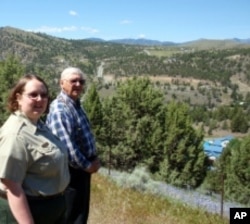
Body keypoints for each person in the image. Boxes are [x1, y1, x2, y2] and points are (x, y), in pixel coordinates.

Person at [0, 74, 70, 224]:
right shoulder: (15, 135)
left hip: (51, 208)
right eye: (33, 95)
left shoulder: (38, 125)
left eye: (44, 95)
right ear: (18, 98)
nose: (40, 99)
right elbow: (13, 188)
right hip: (27, 212)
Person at [46, 67, 100, 224]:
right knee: (72, 216)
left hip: (80, 171)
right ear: (62, 83)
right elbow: (66, 148)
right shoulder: (60, 109)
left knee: (80, 214)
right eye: (73, 81)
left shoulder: (75, 104)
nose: (78, 84)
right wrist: (88, 166)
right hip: (72, 173)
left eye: (81, 81)